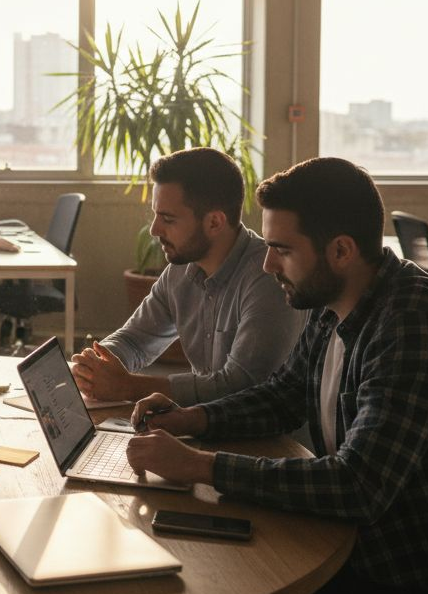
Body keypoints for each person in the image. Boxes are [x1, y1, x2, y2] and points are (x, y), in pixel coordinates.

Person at [126, 157, 428, 594]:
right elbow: (283, 395)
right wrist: (191, 418)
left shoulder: (413, 326)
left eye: (281, 249)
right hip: (376, 565)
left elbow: (357, 486)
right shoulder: (336, 304)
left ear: (341, 250)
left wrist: (202, 465)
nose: (266, 263)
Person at [71, 147, 304, 405]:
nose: (154, 230)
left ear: (214, 223)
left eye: (168, 219)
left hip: (266, 441)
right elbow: (135, 340)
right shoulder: (181, 270)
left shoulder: (269, 277)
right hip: (203, 427)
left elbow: (241, 386)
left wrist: (128, 387)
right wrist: (92, 367)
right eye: (155, 215)